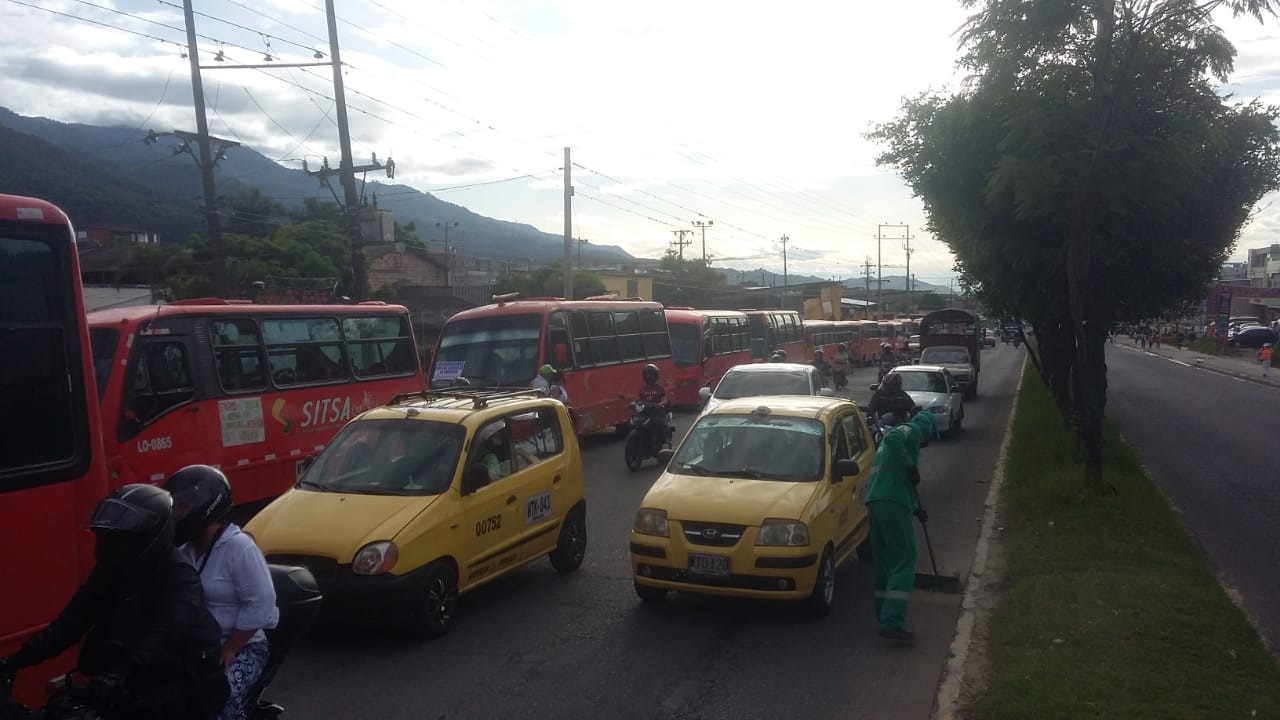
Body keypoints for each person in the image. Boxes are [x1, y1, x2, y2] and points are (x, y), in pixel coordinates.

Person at [0, 484, 227, 720]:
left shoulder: (179, 576)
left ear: (149, 536)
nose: (109, 544)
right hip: (131, 681)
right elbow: (71, 622)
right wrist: (16, 661)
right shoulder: (112, 570)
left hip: (182, 684)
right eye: (107, 537)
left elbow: (165, 637)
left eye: (119, 538)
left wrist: (118, 676)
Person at [164, 466, 279, 720]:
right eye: (175, 507)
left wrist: (230, 648)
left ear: (206, 505)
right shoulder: (184, 552)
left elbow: (262, 603)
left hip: (244, 647)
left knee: (217, 696)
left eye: (182, 507)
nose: (176, 515)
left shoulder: (239, 547)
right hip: (198, 648)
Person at [863, 419, 925, 642]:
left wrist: (916, 509)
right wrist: (911, 466)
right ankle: (893, 622)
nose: (923, 446)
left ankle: (883, 615)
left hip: (875, 503)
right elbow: (893, 437)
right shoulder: (911, 429)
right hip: (892, 503)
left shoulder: (888, 453)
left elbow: (894, 478)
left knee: (884, 563)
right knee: (905, 559)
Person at [637, 363, 670, 443]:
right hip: (646, 414)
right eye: (647, 375)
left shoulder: (660, 388)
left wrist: (660, 404)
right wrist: (634, 405)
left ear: (655, 375)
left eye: (651, 375)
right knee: (636, 423)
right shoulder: (642, 389)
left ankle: (664, 442)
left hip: (658, 414)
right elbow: (638, 400)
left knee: (658, 424)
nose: (649, 377)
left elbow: (664, 400)